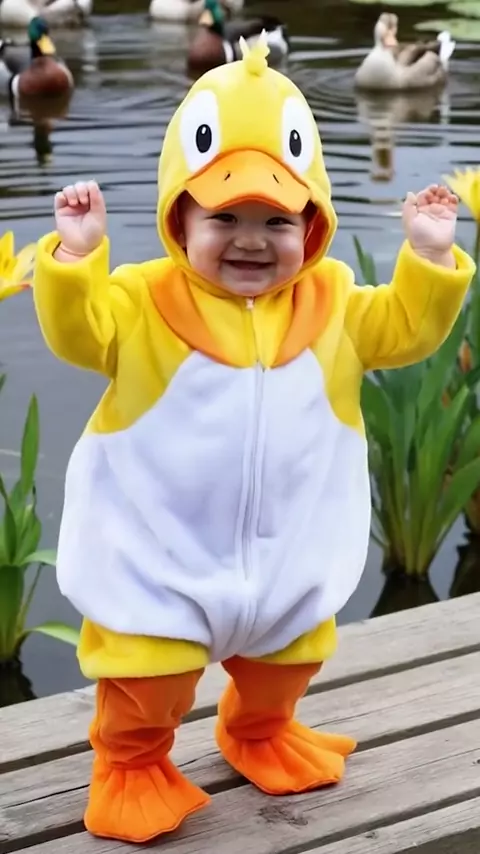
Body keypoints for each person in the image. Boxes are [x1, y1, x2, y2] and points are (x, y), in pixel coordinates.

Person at [33, 36, 474, 845]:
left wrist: (428, 257)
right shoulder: (141, 302)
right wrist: (75, 257)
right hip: (161, 559)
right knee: (147, 681)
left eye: (276, 220)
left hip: (284, 560)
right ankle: (130, 765)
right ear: (179, 215)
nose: (250, 239)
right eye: (224, 217)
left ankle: (260, 729)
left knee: (288, 661)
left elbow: (407, 329)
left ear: (312, 223)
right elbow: (77, 332)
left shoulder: (334, 302)